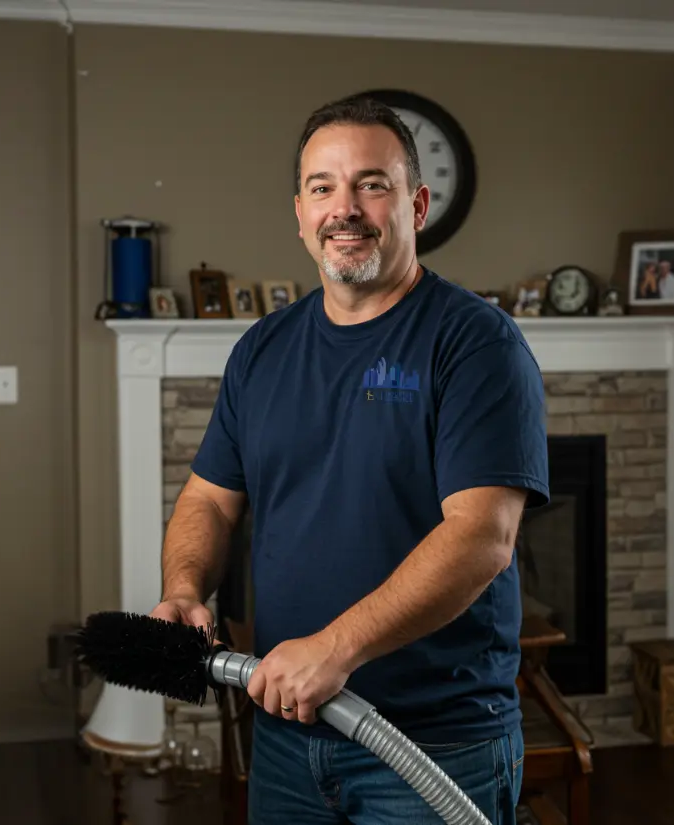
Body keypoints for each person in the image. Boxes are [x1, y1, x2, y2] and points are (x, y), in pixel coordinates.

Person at [149, 93, 550, 824]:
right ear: (298, 211)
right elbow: (209, 498)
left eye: (372, 183)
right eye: (322, 187)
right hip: (287, 735)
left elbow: (480, 537)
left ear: (416, 204)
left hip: (431, 742)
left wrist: (335, 648)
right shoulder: (262, 350)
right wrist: (184, 590)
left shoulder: (475, 343)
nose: (345, 207)